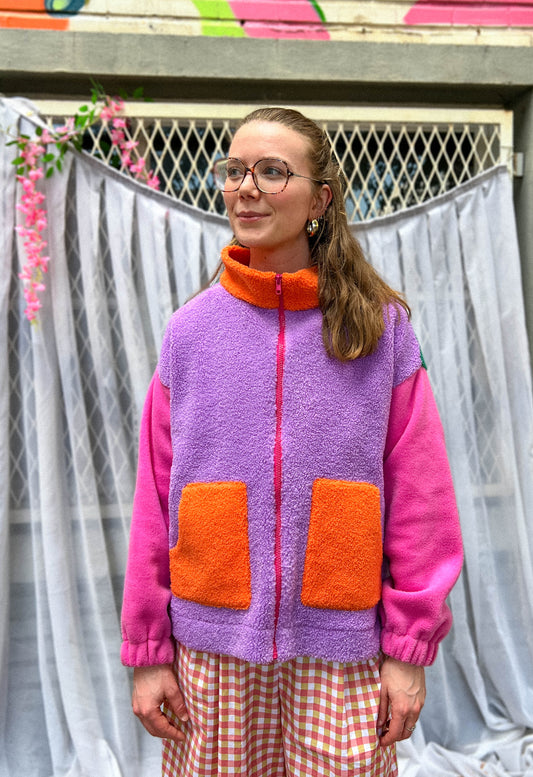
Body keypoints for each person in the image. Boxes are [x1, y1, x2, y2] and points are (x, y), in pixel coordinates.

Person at [120, 107, 463, 776]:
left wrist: (408, 648)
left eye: (272, 171)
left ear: (320, 199)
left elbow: (422, 499)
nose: (246, 188)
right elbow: (154, 501)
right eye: (234, 170)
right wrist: (148, 649)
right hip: (212, 641)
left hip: (342, 644)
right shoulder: (189, 333)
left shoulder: (381, 329)